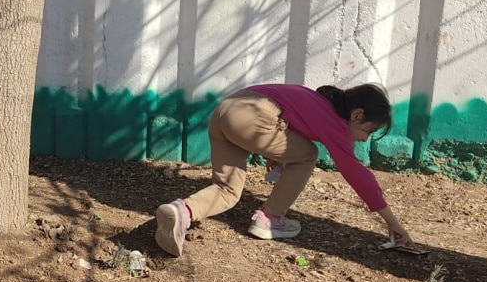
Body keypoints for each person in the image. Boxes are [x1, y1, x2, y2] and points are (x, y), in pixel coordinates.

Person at [154, 83, 413, 257]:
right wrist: (393, 223)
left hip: (224, 112)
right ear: (356, 115)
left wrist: (273, 153)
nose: (364, 140)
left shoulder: (315, 101)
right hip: (254, 115)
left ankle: (181, 211)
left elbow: (287, 122)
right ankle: (269, 219)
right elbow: (358, 176)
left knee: (227, 190)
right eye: (368, 131)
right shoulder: (335, 123)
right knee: (307, 156)